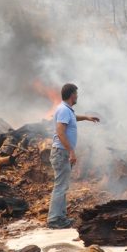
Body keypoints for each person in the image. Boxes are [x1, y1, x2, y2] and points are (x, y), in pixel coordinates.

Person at [48, 83, 99, 229]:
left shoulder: (66, 110)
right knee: (60, 186)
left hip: (62, 152)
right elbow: (60, 132)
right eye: (76, 93)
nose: (77, 96)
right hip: (61, 152)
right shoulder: (64, 110)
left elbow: (74, 117)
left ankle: (61, 217)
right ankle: (54, 220)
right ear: (71, 95)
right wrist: (71, 151)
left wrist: (87, 117)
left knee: (62, 186)